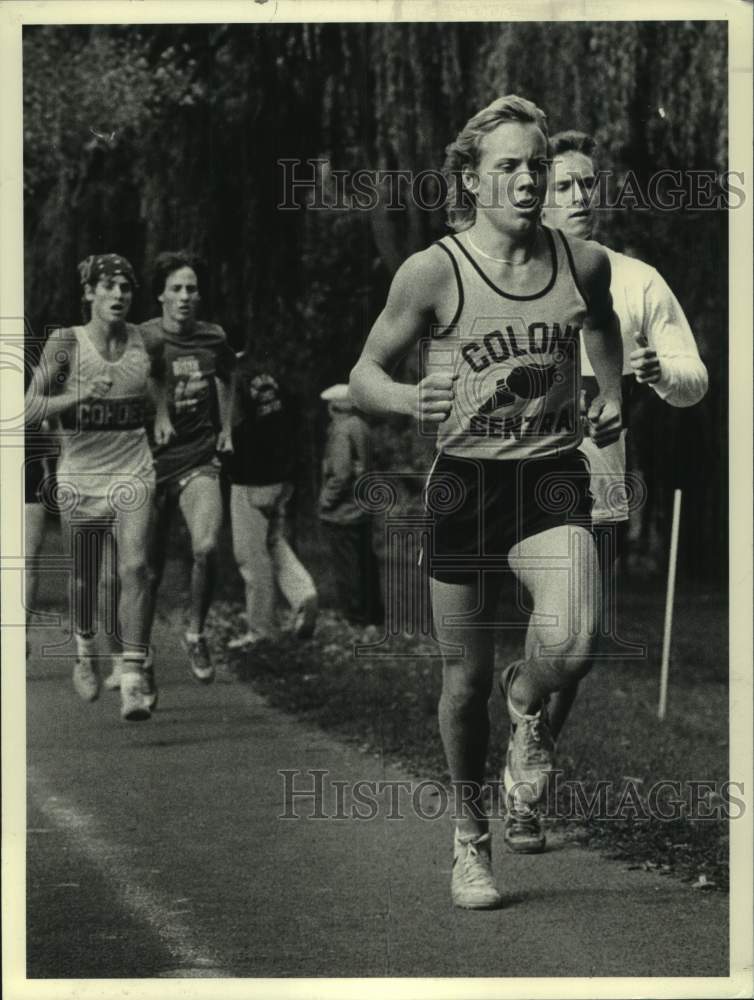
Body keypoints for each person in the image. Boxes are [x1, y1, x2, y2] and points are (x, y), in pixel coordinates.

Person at [349, 95, 623, 909]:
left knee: (572, 642)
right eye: (508, 166)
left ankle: (528, 707)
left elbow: (602, 326)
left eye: (537, 163)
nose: (529, 179)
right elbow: (365, 369)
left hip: (550, 476)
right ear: (470, 180)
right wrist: (404, 403)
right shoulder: (434, 270)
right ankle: (470, 839)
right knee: (461, 684)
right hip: (466, 483)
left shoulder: (584, 261)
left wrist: (608, 391)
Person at [495, 129, 708, 850]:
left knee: (575, 647)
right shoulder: (504, 277)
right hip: (525, 483)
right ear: (534, 193)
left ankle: (526, 770)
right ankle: (521, 764)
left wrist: (658, 373)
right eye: (565, 186)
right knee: (555, 625)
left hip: (603, 488)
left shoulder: (637, 281)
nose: (580, 197)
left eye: (589, 185)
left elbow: (694, 379)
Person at [24, 253, 173, 721]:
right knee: (86, 579)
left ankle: (131, 676)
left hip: (133, 469)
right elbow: (28, 407)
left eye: (126, 287)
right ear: (89, 293)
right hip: (80, 477)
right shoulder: (66, 342)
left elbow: (159, 378)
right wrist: (79, 396)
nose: (118, 295)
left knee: (136, 568)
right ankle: (85, 648)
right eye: (107, 286)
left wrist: (163, 413)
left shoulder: (147, 338)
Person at [134, 251, 236, 686]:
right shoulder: (141, 336)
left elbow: (230, 376)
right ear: (160, 294)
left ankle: (194, 632)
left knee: (207, 547)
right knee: (148, 569)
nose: (184, 296)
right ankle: (140, 654)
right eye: (175, 288)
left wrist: (226, 427)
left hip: (198, 455)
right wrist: (157, 413)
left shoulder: (214, 337)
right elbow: (139, 379)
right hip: (150, 462)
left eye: (191, 288)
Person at [224, 351, 318, 649]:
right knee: (273, 541)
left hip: (250, 477)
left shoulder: (232, 379)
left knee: (250, 556)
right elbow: (293, 421)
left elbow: (232, 428)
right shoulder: (270, 376)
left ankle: (261, 629)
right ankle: (303, 594)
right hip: (281, 476)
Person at [318, 384, 384, 630]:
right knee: (366, 563)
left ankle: (355, 619)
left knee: (348, 567)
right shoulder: (362, 427)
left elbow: (342, 473)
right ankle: (374, 617)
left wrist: (325, 500)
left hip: (344, 512)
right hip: (362, 508)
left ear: (334, 408)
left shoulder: (341, 431)